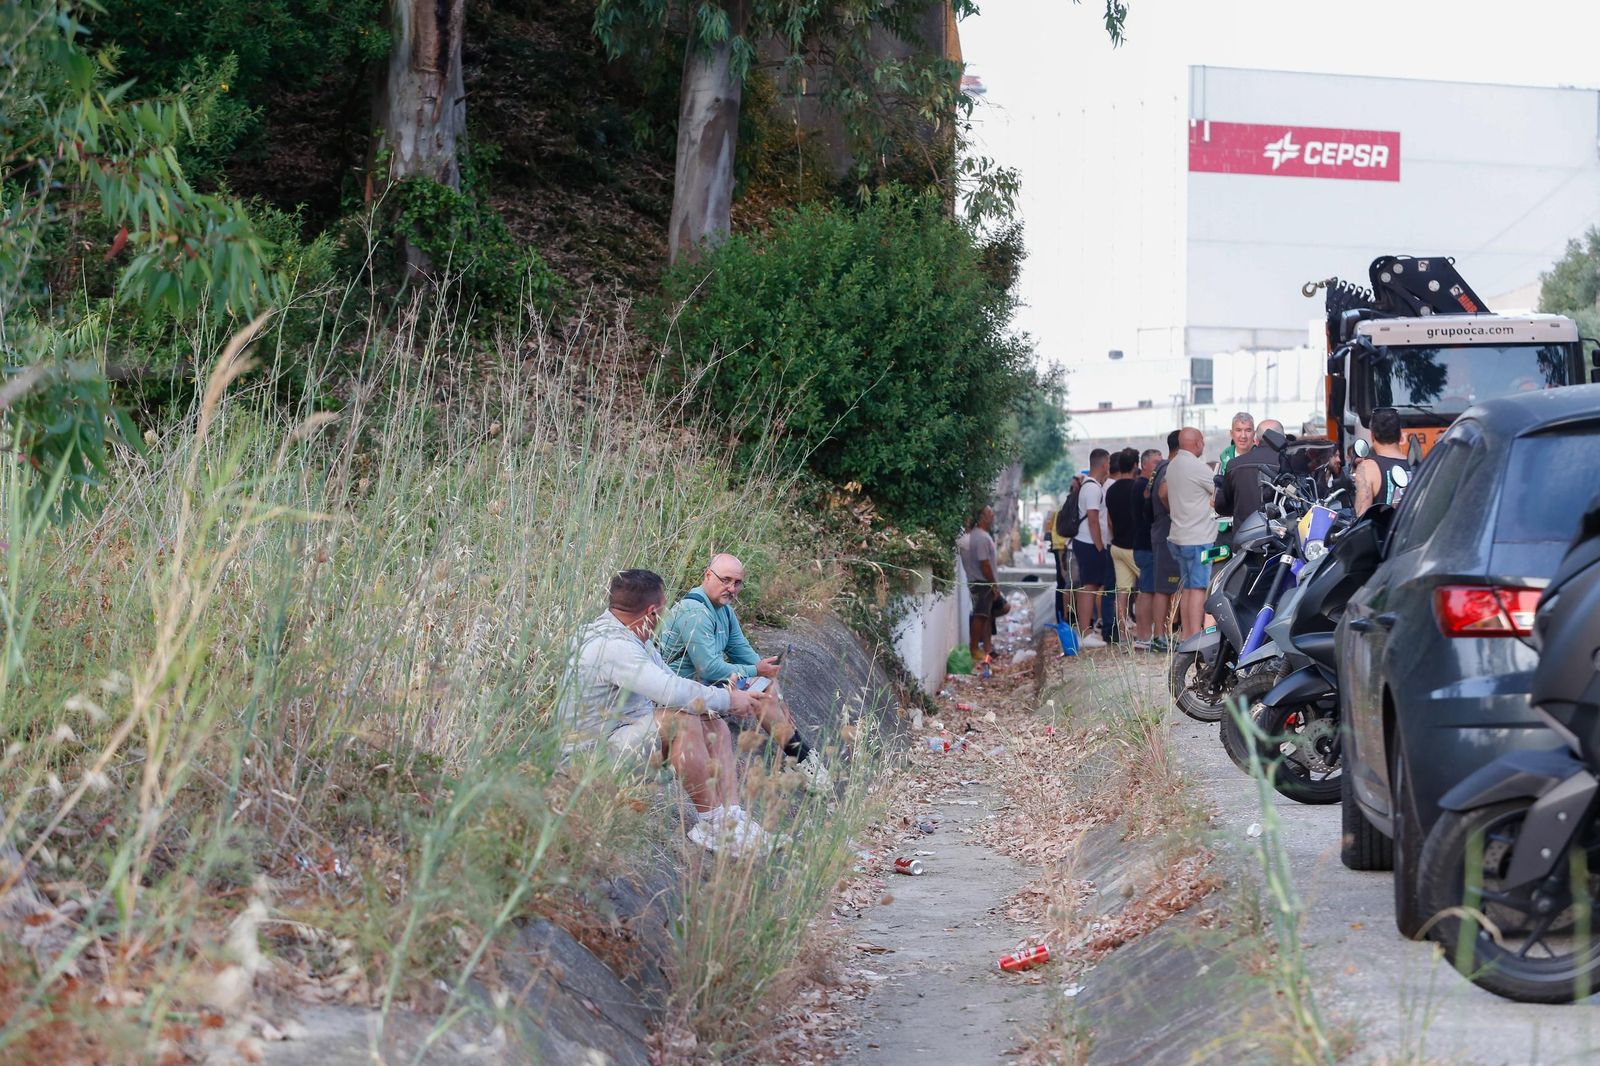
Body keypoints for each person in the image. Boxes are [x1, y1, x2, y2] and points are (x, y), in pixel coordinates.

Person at [563, 569, 776, 854]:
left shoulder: (633, 638)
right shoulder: (612, 647)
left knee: (710, 720)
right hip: (588, 762)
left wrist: (730, 694)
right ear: (652, 612)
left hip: (621, 740)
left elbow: (675, 683)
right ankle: (710, 823)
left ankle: (732, 818)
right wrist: (728, 701)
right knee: (681, 721)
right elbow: (672, 693)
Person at [658, 554, 832, 793]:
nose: (731, 588)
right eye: (726, 580)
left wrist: (775, 693)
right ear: (708, 576)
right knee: (758, 694)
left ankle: (805, 761)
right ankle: (804, 762)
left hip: (705, 688)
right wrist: (755, 671)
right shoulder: (694, 612)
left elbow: (747, 656)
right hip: (678, 693)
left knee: (765, 689)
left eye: (737, 582)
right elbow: (707, 667)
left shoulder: (724, 611)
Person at [1160, 427, 1217, 641]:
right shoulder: (1197, 467)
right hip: (1199, 538)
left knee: (1185, 589)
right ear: (1197, 443)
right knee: (1198, 588)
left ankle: (1185, 634)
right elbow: (1219, 493)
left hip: (1178, 536)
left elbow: (1162, 493)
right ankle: (1195, 636)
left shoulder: (1173, 465)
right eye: (1202, 441)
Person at [1214, 418, 1285, 535]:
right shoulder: (1291, 463)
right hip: (1281, 539)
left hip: (1245, 539)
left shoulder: (1234, 465)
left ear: (1256, 440)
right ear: (1283, 438)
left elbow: (1222, 506)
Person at [1071, 449, 1113, 649]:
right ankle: (1085, 632)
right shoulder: (1092, 488)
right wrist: (1099, 546)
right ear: (1104, 464)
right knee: (1089, 587)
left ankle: (1084, 630)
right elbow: (1093, 519)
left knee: (1091, 586)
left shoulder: (1090, 486)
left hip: (1087, 542)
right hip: (1089, 542)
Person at [1146, 431, 1182, 650]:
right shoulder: (1170, 468)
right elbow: (1163, 493)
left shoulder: (1159, 467)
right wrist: (1176, 513)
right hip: (1167, 532)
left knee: (1166, 587)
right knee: (1165, 588)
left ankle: (1163, 634)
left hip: (1160, 531)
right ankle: (1160, 635)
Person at [1104, 450, 1142, 645]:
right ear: (1135, 465)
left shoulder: (1110, 490)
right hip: (1134, 547)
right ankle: (1145, 631)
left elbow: (1109, 520)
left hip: (1116, 546)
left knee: (1122, 590)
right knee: (1147, 589)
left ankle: (1122, 632)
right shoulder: (1137, 488)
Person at [959, 505, 1003, 672]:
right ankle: (974, 648)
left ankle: (986, 648)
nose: (992, 516)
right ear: (983, 517)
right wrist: (993, 584)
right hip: (982, 582)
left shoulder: (981, 536)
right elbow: (984, 564)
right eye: (990, 513)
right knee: (980, 615)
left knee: (987, 614)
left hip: (983, 581)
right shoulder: (981, 538)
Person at [1354, 407, 1412, 516]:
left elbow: (1361, 519)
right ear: (1400, 435)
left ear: (1372, 435)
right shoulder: (1416, 466)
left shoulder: (1367, 468)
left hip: (1383, 532)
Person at [1131, 448, 1161, 650]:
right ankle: (1144, 635)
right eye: (1155, 463)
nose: (1159, 467)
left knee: (1145, 590)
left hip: (1140, 544)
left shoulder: (1138, 485)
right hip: (1146, 545)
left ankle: (1143, 634)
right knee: (1147, 591)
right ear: (1144, 464)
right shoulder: (1144, 487)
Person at [1215, 412, 1255, 545]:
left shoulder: (1260, 456)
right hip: (1226, 526)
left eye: (1248, 430)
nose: (1243, 436)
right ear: (1231, 433)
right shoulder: (1225, 456)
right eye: (1238, 430)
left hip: (1252, 525)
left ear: (1254, 434)